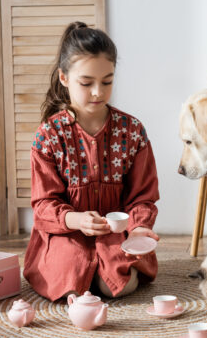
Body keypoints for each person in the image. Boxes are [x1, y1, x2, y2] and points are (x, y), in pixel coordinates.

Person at [24, 22, 160, 301]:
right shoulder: (48, 136)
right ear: (64, 78)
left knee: (117, 286)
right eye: (86, 83)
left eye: (107, 81)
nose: (98, 92)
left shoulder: (132, 131)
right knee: (71, 283)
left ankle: (105, 271)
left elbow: (143, 196)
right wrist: (75, 219)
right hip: (67, 233)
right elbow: (44, 204)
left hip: (116, 235)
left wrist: (140, 227)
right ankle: (78, 270)